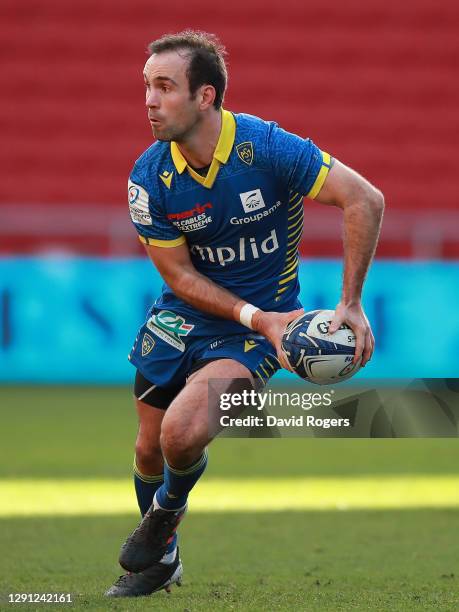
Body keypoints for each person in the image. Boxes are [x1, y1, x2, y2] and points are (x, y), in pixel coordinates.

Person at [105, 30, 384, 598]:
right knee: (146, 446)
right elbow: (180, 276)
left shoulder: (267, 148)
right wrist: (255, 314)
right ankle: (164, 563)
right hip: (188, 315)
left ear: (205, 96)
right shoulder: (149, 177)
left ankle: (162, 521)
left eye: (164, 87)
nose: (150, 102)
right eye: (146, 87)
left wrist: (349, 302)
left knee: (181, 436)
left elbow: (365, 199)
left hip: (265, 334)